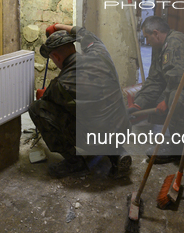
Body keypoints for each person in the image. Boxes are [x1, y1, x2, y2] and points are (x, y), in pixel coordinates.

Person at [29, 23, 131, 178]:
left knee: (37, 109)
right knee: (100, 114)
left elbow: (45, 100)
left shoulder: (61, 84)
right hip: (123, 129)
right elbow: (84, 32)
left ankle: (74, 163)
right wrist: (58, 26)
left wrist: (44, 94)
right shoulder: (99, 51)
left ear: (56, 57)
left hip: (95, 139)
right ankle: (116, 152)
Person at [127, 16, 184, 164]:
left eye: (147, 37)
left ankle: (178, 147)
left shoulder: (175, 43)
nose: (147, 42)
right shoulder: (160, 47)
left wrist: (166, 100)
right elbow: (155, 79)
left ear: (156, 33)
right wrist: (138, 104)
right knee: (160, 97)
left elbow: (181, 79)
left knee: (177, 97)